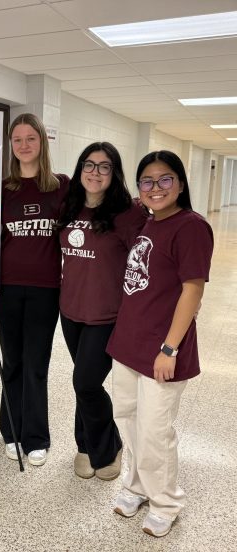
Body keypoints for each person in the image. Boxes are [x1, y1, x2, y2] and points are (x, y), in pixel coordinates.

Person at [107, 150, 213, 538]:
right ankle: (137, 487)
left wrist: (169, 349)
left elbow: (192, 290)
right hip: (129, 343)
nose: (155, 188)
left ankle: (166, 502)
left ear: (181, 184)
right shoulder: (149, 223)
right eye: (147, 181)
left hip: (162, 350)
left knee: (155, 431)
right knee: (129, 421)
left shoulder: (191, 227)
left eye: (165, 179)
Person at [0, 113, 69, 466]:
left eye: (30, 138)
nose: (24, 145)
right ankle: (11, 431)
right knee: (13, 362)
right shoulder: (2, 189)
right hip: (7, 291)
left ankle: (36, 437)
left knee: (37, 364)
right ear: (11, 146)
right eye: (17, 140)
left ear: (42, 142)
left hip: (46, 290)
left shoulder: (61, 186)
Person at [56, 142, 146, 480]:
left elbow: (145, 264)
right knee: (85, 383)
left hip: (108, 315)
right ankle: (85, 444)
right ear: (80, 169)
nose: (95, 172)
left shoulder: (129, 214)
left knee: (86, 383)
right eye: (89, 165)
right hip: (71, 310)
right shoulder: (70, 205)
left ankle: (107, 447)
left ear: (114, 172)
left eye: (104, 166)